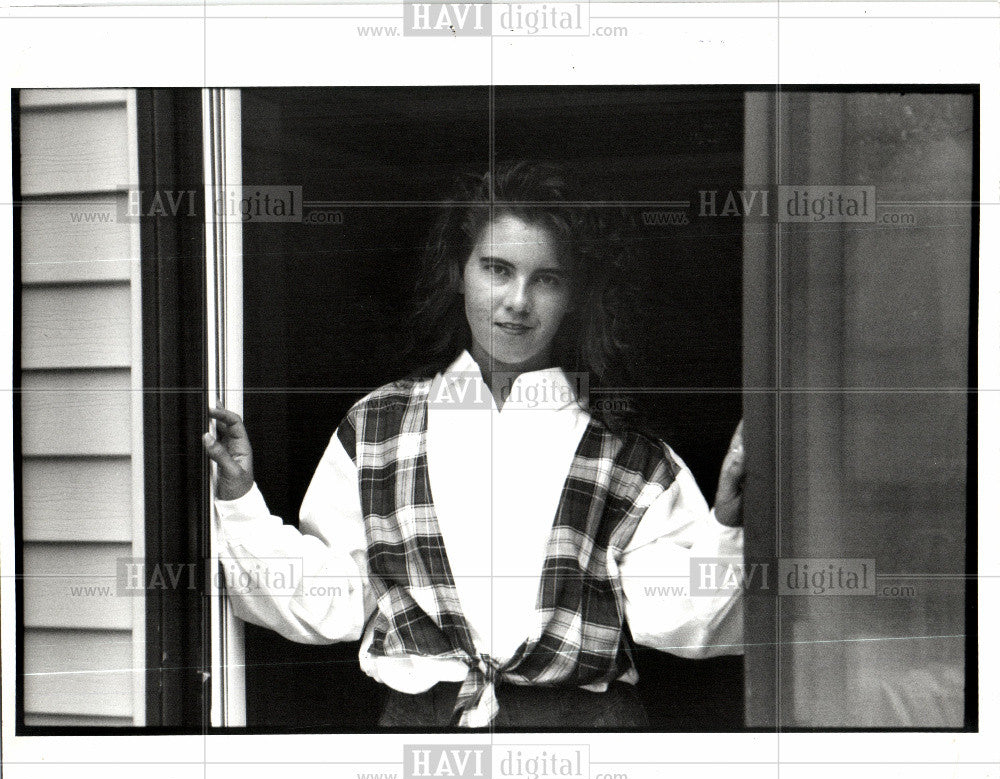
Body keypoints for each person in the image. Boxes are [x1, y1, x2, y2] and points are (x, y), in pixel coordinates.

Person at [204, 159, 745, 729]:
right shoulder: (379, 427)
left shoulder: (627, 450)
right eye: (497, 269)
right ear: (458, 272)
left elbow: (677, 616)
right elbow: (333, 597)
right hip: (423, 730)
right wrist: (240, 505)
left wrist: (729, 521)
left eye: (547, 279)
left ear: (574, 295)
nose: (518, 301)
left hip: (583, 733)